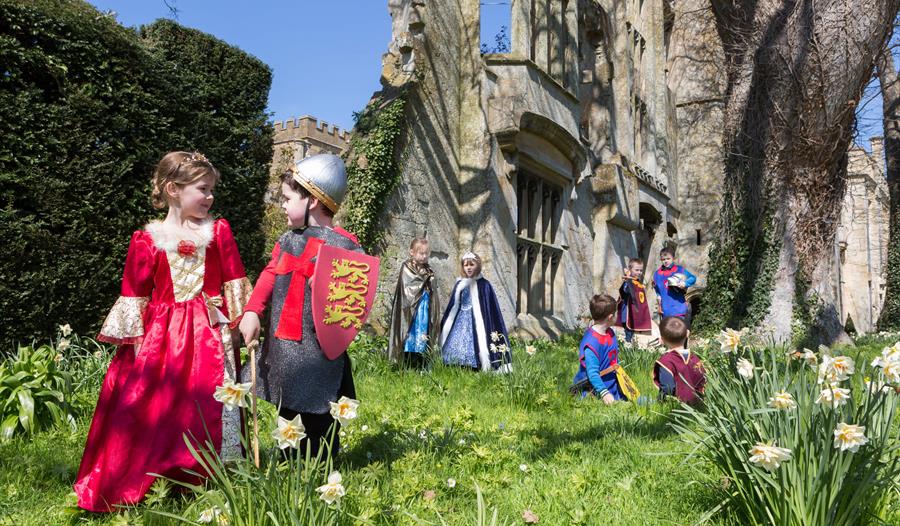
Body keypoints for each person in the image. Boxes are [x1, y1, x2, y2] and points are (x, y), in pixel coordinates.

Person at [75, 151, 253, 512]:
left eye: (212, 190)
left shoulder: (218, 232)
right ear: (173, 189)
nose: (210, 197)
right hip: (163, 338)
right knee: (156, 403)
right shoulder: (146, 239)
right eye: (203, 189)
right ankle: (153, 471)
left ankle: (207, 472)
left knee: (208, 399)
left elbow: (234, 280)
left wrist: (240, 323)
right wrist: (137, 345)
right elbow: (135, 295)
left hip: (209, 334)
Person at [239, 153, 363, 460]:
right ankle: (289, 463)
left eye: (287, 198)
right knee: (287, 406)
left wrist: (329, 283)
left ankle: (322, 464)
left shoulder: (345, 245)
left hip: (319, 350)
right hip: (284, 346)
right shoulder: (286, 240)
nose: (281, 204)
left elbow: (354, 298)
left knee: (320, 410)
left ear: (312, 201)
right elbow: (271, 273)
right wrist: (253, 310)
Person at [439, 252, 512, 372]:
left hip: (476, 322)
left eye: (471, 265)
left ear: (477, 266)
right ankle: (454, 363)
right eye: (465, 265)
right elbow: (453, 306)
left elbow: (491, 310)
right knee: (455, 342)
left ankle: (475, 364)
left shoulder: (484, 285)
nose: (468, 268)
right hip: (460, 319)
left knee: (475, 342)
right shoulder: (460, 284)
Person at [388, 237, 441, 368]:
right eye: (420, 253)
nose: (423, 257)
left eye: (426, 254)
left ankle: (421, 362)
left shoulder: (429, 270)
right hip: (410, 309)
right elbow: (408, 287)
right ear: (412, 252)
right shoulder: (407, 267)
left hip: (424, 306)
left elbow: (433, 288)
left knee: (422, 332)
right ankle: (406, 362)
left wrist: (430, 280)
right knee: (410, 332)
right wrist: (425, 280)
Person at [571, 294, 624, 403]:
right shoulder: (591, 343)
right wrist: (604, 393)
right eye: (615, 314)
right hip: (595, 390)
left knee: (638, 400)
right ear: (610, 317)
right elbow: (593, 373)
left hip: (612, 385)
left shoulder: (610, 332)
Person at [652, 316, 706, 404]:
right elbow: (702, 379)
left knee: (641, 400)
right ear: (687, 334)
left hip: (676, 403)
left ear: (662, 339)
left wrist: (661, 400)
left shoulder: (666, 361)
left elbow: (667, 388)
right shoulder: (695, 358)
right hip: (696, 401)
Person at [652, 247, 697, 326]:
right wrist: (659, 306)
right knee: (668, 334)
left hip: (679, 307)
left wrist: (685, 283)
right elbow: (658, 292)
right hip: (665, 309)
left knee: (680, 333)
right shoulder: (657, 274)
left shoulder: (680, 270)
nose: (666, 261)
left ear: (673, 258)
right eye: (663, 259)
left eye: (668, 259)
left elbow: (693, 278)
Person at [617, 258, 652, 343]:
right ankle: (627, 350)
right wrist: (628, 280)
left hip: (636, 315)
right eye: (636, 270)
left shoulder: (639, 283)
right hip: (628, 314)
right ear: (630, 270)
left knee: (635, 337)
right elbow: (626, 291)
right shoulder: (628, 281)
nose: (639, 272)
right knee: (628, 336)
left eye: (640, 270)